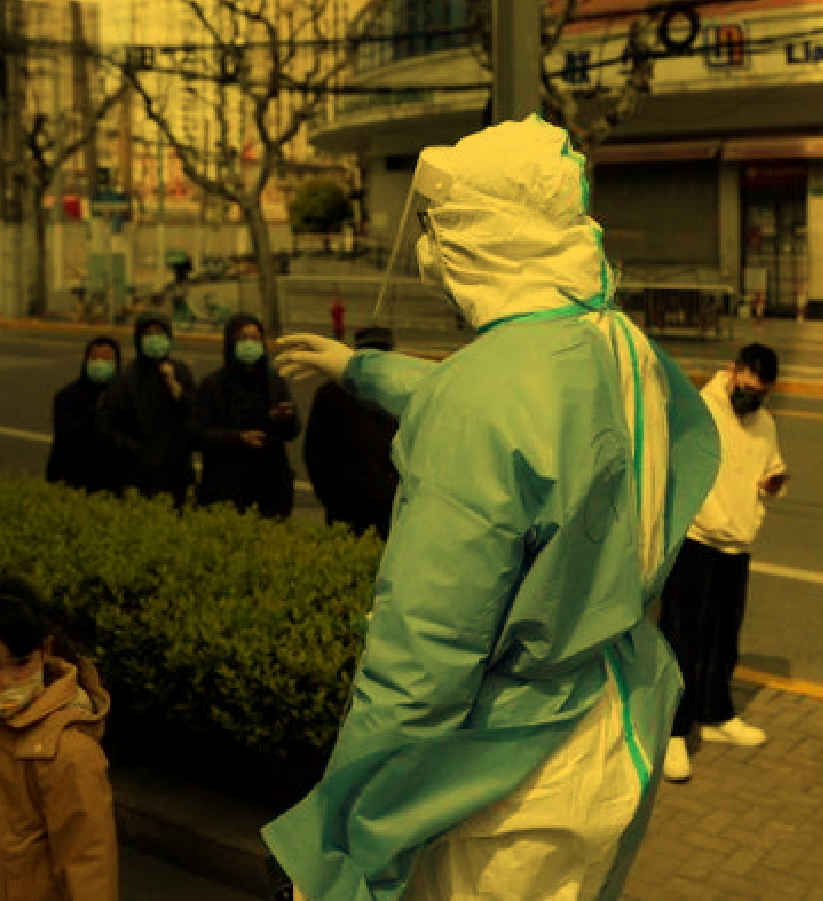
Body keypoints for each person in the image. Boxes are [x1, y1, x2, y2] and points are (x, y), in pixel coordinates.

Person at [261, 114, 720, 901]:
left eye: (439, 228)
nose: (428, 251)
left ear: (482, 237)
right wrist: (360, 368)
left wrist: (340, 852)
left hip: (514, 788)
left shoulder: (483, 403)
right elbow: (524, 413)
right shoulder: (617, 342)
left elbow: (419, 667)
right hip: (617, 724)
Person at [657, 342, 787, 783]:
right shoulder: (700, 411)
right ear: (733, 371)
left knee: (723, 636)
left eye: (762, 389)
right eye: (748, 381)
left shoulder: (765, 423)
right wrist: (709, 517)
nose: (752, 393)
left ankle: (715, 714)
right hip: (696, 540)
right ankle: (671, 732)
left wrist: (772, 485)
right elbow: (680, 469)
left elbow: (771, 465)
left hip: (738, 544)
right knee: (682, 637)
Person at [0, 576, 118, 901]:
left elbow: (89, 868)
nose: (5, 681)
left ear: (45, 651)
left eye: (20, 664)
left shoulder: (68, 751)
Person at [189, 313, 300, 518]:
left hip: (270, 489)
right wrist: (238, 438)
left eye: (255, 338)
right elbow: (196, 435)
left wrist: (284, 419)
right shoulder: (212, 386)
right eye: (243, 338)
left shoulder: (274, 382)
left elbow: (292, 431)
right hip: (226, 489)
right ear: (230, 343)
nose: (249, 344)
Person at [303, 326, 399, 538]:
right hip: (346, 511)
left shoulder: (399, 394)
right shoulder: (331, 395)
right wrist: (334, 500)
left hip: (392, 511)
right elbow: (316, 453)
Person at [96, 312, 195, 505]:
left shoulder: (180, 372)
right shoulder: (125, 379)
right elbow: (106, 426)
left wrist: (174, 388)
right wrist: (136, 449)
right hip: (136, 474)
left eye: (160, 334)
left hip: (176, 473)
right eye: (148, 334)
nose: (154, 339)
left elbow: (194, 415)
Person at [46, 336, 124, 494]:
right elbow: (67, 437)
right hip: (72, 480)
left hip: (112, 484)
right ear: (85, 361)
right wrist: (96, 410)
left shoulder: (123, 397)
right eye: (94, 358)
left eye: (106, 359)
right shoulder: (67, 396)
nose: (100, 364)